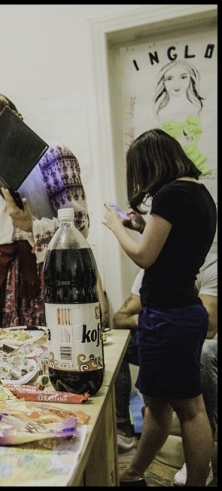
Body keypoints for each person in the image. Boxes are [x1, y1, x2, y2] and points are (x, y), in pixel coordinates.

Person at [103, 128, 216, 487]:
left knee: (189, 408)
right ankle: (134, 472)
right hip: (178, 312)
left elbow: (144, 256)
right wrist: (140, 225)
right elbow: (174, 245)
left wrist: (116, 228)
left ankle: (187, 480)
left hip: (170, 315)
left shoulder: (171, 195)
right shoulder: (199, 194)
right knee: (158, 403)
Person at [0, 91, 90, 328]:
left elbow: (79, 225)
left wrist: (32, 226)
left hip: (38, 269)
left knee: (38, 341)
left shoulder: (54, 154)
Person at [153, 59, 208, 175]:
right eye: (169, 79)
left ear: (191, 78)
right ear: (163, 81)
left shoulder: (196, 108)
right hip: (170, 168)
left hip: (194, 164)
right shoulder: (160, 112)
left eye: (183, 77)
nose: (176, 84)